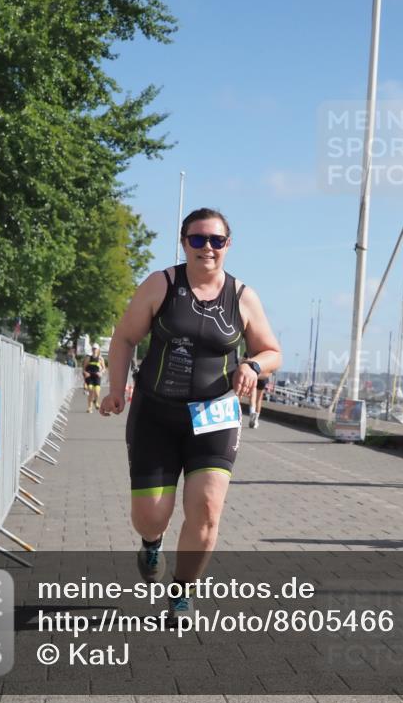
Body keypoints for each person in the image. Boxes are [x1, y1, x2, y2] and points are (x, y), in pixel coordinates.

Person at [100, 208, 281, 619]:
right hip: (156, 414)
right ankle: (151, 541)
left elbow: (272, 350)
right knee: (151, 516)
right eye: (198, 239)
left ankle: (182, 592)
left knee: (207, 507)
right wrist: (116, 390)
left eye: (216, 240)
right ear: (184, 242)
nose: (207, 248)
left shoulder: (242, 296)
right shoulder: (161, 284)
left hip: (214, 415)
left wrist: (253, 366)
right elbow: (125, 337)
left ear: (228, 245)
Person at [82, 345, 105, 413]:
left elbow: (104, 368)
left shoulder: (101, 359)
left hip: (97, 376)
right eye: (93, 349)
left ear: (98, 350)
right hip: (89, 376)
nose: (94, 350)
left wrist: (101, 373)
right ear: (92, 350)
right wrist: (85, 372)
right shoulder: (88, 358)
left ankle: (96, 402)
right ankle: (90, 408)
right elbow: (84, 368)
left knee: (97, 393)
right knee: (91, 390)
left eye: (95, 349)